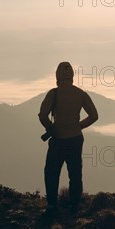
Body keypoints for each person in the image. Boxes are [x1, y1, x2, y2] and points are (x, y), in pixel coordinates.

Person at [38, 61, 98, 214]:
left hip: (58, 139)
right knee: (75, 173)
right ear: (72, 75)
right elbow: (94, 116)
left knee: (51, 172)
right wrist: (79, 126)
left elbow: (43, 115)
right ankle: (74, 206)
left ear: (57, 75)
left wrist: (50, 128)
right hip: (76, 139)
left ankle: (52, 205)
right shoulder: (81, 94)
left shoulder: (54, 93)